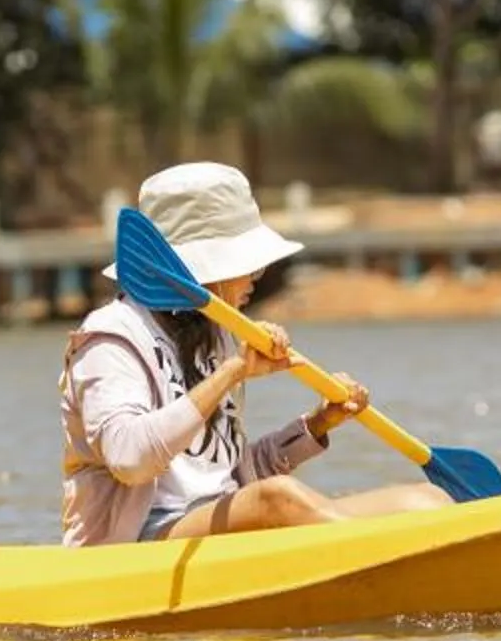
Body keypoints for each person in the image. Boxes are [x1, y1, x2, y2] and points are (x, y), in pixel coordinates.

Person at [58, 161, 452, 546]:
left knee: (425, 501)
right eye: (249, 266)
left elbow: (233, 478)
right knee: (277, 498)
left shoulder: (213, 333)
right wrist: (230, 374)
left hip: (220, 527)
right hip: (137, 543)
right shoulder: (109, 339)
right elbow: (130, 459)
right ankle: (379, 563)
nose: (256, 278)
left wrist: (316, 425)